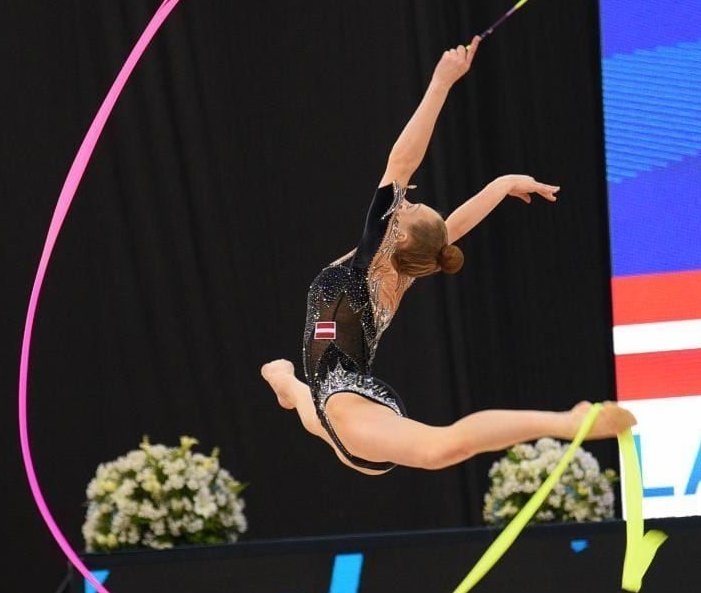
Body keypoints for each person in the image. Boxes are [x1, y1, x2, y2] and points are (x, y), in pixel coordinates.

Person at [262, 36, 635, 474]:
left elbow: (402, 162)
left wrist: (441, 82)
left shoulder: (373, 261)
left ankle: (566, 421)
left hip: (349, 405)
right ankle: (284, 382)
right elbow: (448, 232)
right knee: (307, 405)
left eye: (409, 208)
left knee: (440, 449)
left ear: (395, 236)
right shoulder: (400, 268)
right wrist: (501, 184)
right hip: (339, 405)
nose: (403, 202)